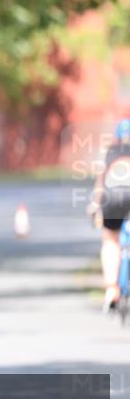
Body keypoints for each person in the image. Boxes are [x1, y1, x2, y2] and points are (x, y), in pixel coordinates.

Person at [89, 119, 130, 311]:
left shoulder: (109, 152)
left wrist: (94, 206)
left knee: (110, 240)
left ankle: (112, 290)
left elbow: (100, 184)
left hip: (113, 199)